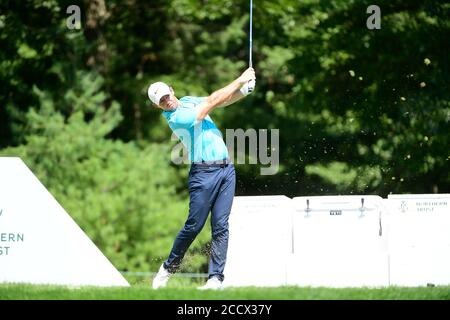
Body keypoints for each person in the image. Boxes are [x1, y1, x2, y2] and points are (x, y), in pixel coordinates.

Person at [148, 67, 256, 290]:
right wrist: (239, 79)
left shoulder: (187, 101)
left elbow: (219, 100)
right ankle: (167, 269)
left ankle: (215, 278)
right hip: (203, 174)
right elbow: (211, 104)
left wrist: (244, 91)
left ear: (171, 90)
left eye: (167, 96)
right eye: (161, 101)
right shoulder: (176, 118)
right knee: (194, 225)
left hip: (226, 169)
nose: (167, 101)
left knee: (221, 225)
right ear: (157, 106)